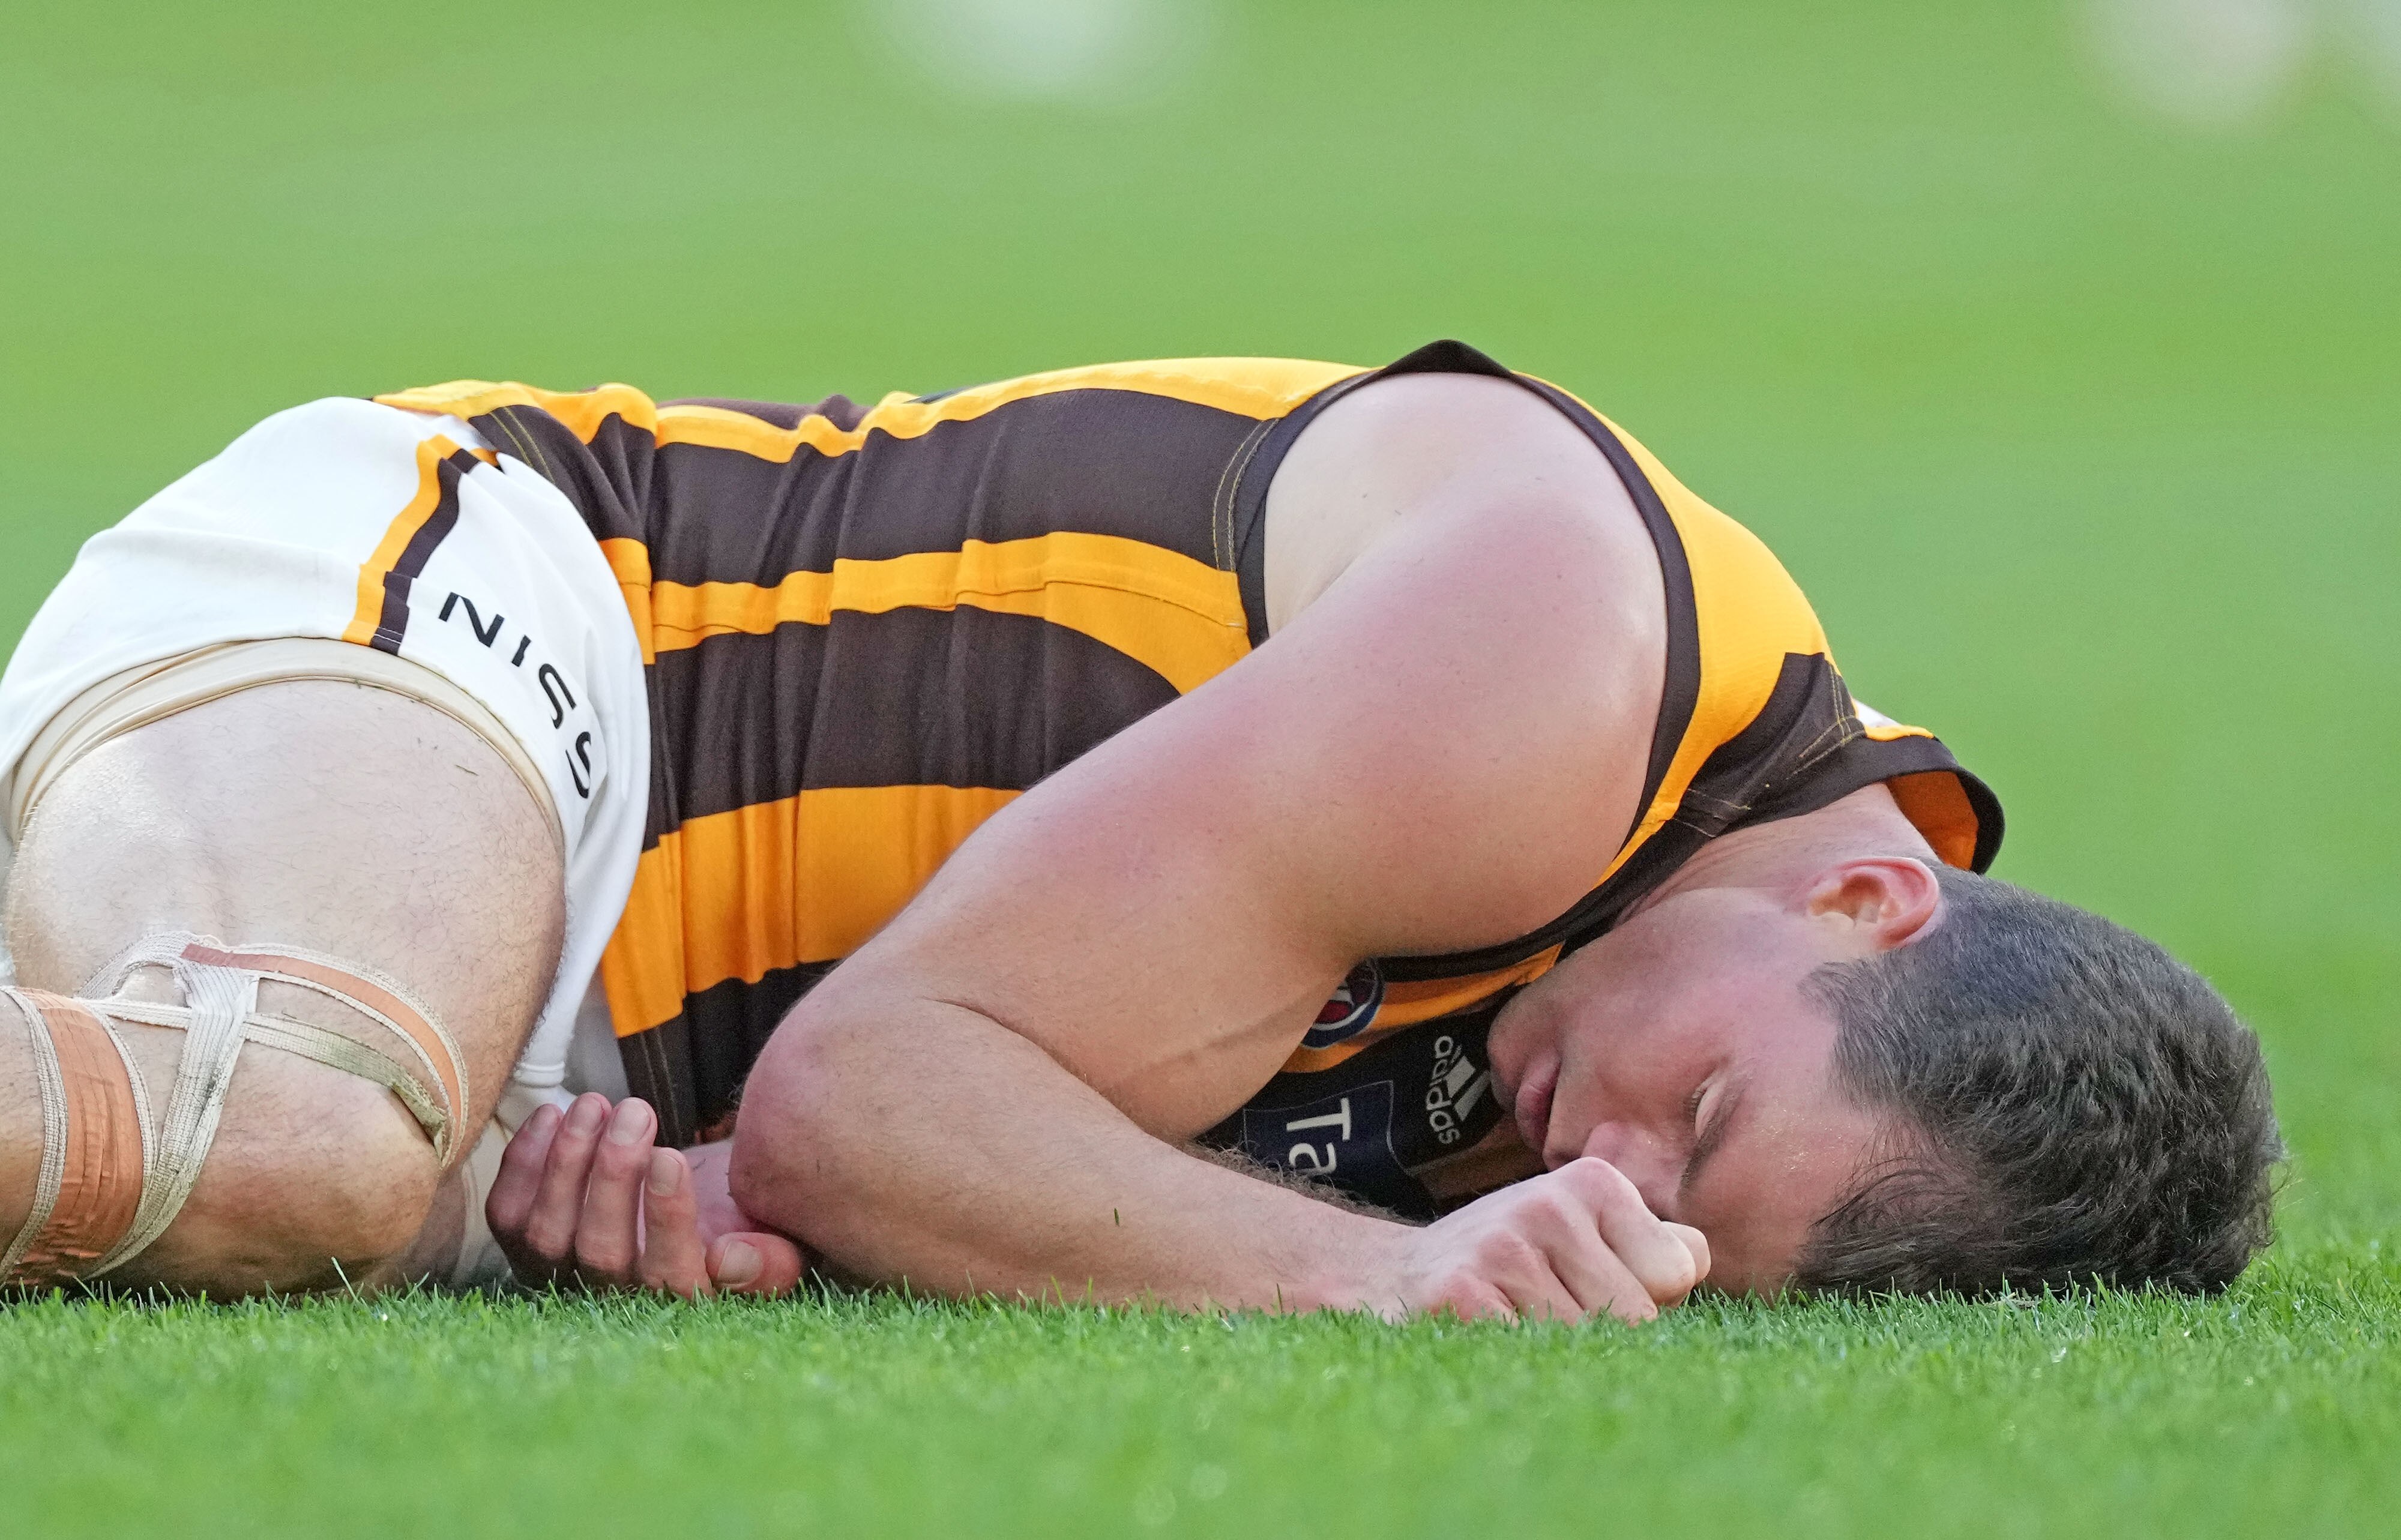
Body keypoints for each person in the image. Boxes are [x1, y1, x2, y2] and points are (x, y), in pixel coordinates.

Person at [0, 343, 2279, 1316]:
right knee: (293, 1141)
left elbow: (877, 1164)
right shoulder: (1566, 667)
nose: (1611, 1186)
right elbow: (865, 1107)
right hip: (509, 616)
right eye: (1699, 1116)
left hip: (551, 1006)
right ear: (1877, 897)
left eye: (1686, 1227)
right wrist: (1384, 1279)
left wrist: (671, 1210)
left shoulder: (1637, 1002)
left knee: (324, 1207)